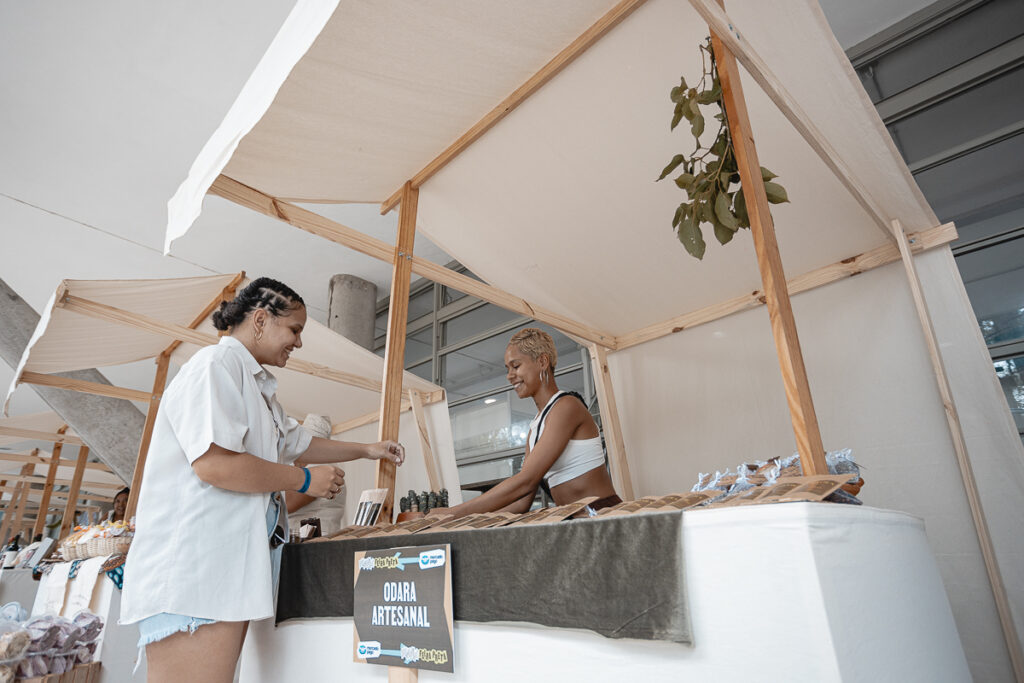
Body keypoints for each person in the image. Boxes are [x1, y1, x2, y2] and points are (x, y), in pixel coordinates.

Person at [120, 277, 405, 683]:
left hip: (220, 574)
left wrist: (368, 449)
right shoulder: (214, 367)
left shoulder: (255, 386)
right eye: (295, 330)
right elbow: (216, 465)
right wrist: (304, 480)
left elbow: (299, 442)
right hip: (194, 573)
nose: (299, 343)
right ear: (259, 320)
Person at [432, 327, 620, 518]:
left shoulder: (567, 406)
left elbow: (526, 481)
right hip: (573, 519)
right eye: (508, 369)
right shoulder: (535, 427)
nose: (509, 375)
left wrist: (452, 513)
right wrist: (467, 519)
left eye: (516, 366)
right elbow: (523, 500)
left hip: (601, 514)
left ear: (542, 361)